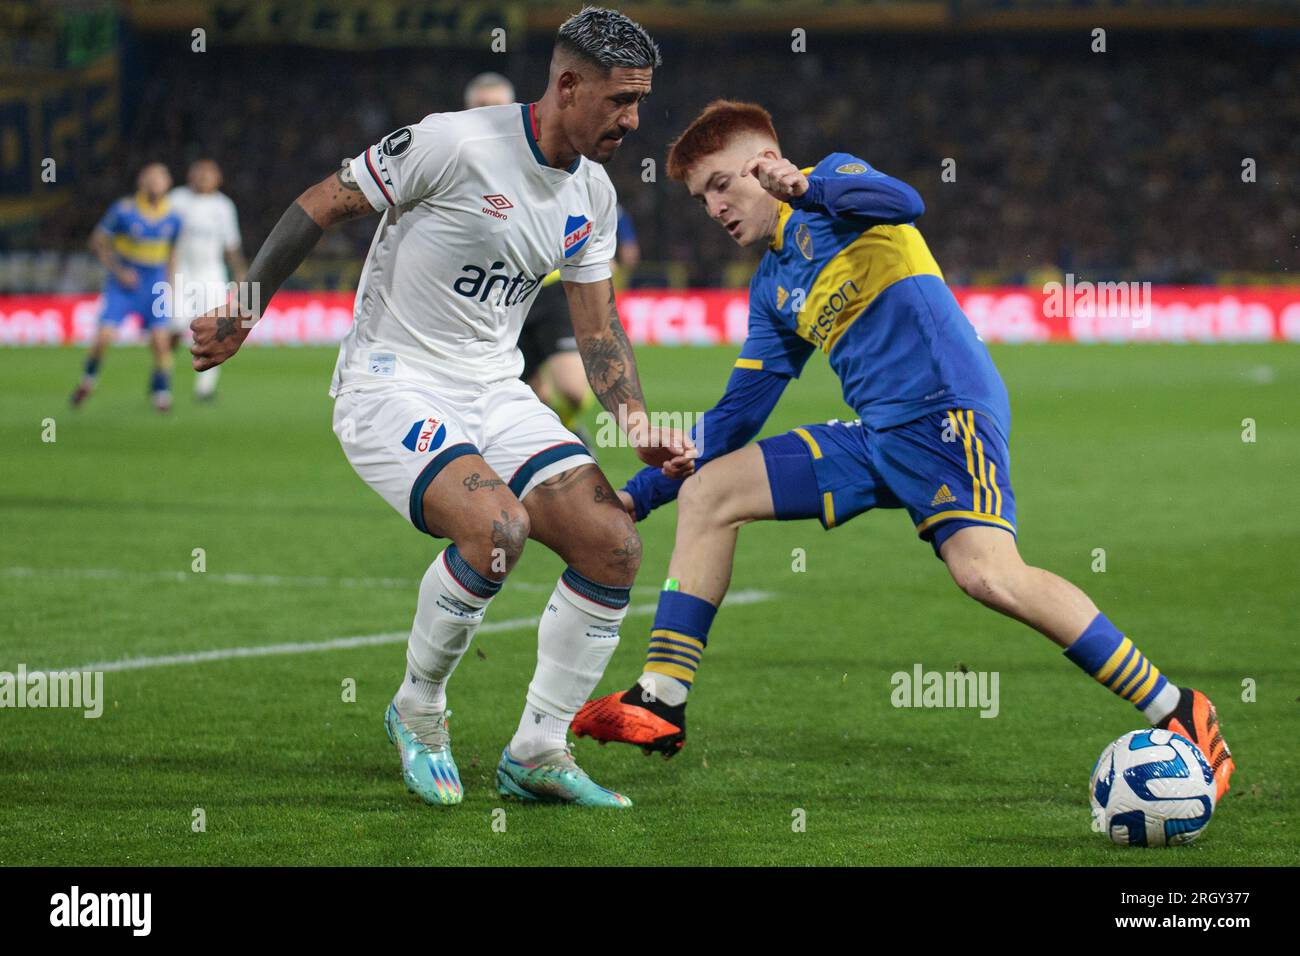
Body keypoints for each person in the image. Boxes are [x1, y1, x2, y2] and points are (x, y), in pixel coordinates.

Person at [573, 100, 1235, 803]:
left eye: (719, 185)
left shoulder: (836, 184)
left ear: (764, 164)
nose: (712, 207)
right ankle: (662, 697)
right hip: (876, 433)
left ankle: (1178, 709)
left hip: (948, 415)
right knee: (714, 492)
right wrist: (634, 498)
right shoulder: (771, 290)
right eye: (701, 196)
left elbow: (907, 202)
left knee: (988, 576)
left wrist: (806, 187)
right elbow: (736, 420)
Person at [190, 8, 693, 808]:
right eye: (620, 101)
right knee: (497, 529)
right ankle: (418, 710)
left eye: (639, 101)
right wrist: (244, 309)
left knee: (613, 546)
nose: (634, 120)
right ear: (567, 85)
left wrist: (634, 422)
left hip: (493, 388)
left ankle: (538, 748)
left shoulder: (592, 193)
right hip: (393, 381)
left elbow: (598, 328)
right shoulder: (453, 143)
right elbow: (321, 201)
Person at [463, 71, 637, 445]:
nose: (487, 113)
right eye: (480, 107)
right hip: (493, 297)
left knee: (573, 390)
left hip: (552, 291)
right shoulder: (457, 165)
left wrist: (594, 257)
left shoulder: (548, 156)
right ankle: (546, 444)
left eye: (495, 106)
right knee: (527, 396)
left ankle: (568, 425)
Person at [72, 163, 182, 412]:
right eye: (151, 177)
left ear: (168, 184)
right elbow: (97, 241)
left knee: (161, 342)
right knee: (104, 337)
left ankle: (161, 391)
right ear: (141, 182)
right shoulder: (123, 211)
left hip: (154, 284)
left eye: (161, 178)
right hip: (124, 283)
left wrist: (171, 285)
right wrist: (119, 271)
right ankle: (88, 380)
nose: (156, 182)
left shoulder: (174, 217)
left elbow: (172, 253)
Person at [169, 159, 246, 401]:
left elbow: (231, 245)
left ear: (218, 178)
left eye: (209, 174)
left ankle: (205, 387)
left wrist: (241, 274)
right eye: (199, 173)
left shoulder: (223, 206)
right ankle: (163, 374)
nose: (203, 178)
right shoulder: (176, 200)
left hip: (211, 275)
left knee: (215, 331)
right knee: (173, 327)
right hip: (180, 274)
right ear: (190, 175)